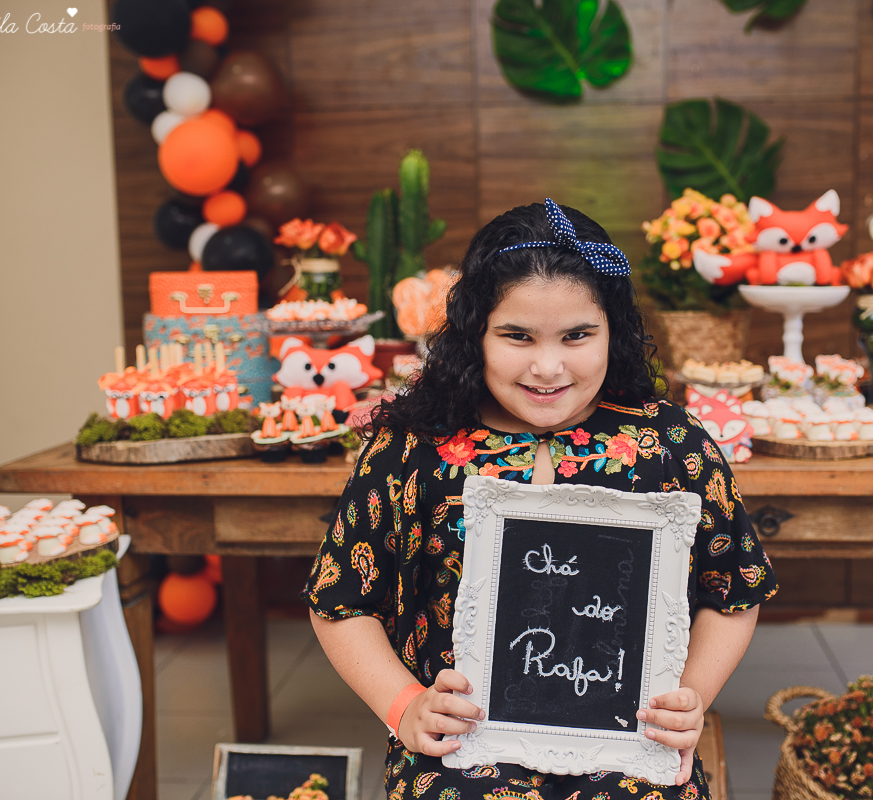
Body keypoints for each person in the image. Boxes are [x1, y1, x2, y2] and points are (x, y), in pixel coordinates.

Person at [304, 200, 778, 800]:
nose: (548, 367)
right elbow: (339, 601)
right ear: (474, 331)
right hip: (459, 749)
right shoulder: (413, 449)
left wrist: (693, 699)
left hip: (634, 747)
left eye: (578, 335)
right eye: (516, 336)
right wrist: (404, 707)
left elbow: (733, 590)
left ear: (615, 329)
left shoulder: (671, 444)